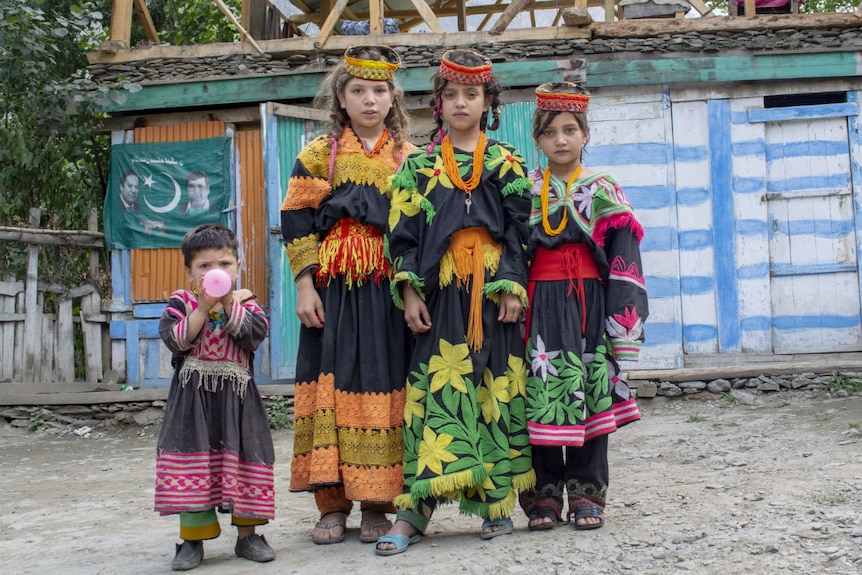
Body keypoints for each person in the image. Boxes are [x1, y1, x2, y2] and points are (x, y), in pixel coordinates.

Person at [376, 48, 535, 556]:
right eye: (452, 95)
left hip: (492, 295)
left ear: (488, 102)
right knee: (433, 392)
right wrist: (407, 292)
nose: (461, 103)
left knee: (493, 391)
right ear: (437, 103)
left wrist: (511, 284)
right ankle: (414, 511)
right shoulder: (418, 165)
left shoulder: (505, 160)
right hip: (442, 294)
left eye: (473, 95)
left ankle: (494, 505)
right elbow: (401, 233)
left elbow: (520, 229)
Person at [280, 44, 415, 546]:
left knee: (384, 383)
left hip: (385, 291)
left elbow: (415, 223)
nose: (369, 100)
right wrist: (303, 285)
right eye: (358, 90)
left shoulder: (407, 157)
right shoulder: (319, 153)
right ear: (342, 95)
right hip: (332, 291)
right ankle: (332, 503)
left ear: (391, 97)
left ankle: (379, 502)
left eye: (379, 90)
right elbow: (296, 219)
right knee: (329, 385)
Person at [518, 82, 648, 532]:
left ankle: (588, 492)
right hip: (538, 305)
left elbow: (624, 258)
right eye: (550, 132)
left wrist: (624, 320)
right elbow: (510, 252)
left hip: (589, 304)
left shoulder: (603, 188)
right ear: (537, 140)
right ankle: (543, 496)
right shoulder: (523, 190)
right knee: (540, 393)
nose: (561, 140)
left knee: (591, 390)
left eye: (570, 129)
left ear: (585, 134)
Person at [154, 223, 275, 570]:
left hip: (238, 400)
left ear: (238, 267)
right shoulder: (182, 302)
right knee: (193, 462)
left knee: (246, 458)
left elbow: (253, 335)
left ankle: (249, 535)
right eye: (204, 266)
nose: (215, 272)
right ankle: (192, 540)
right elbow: (176, 340)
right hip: (192, 403)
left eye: (224, 264)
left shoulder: (247, 303)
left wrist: (227, 303)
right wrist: (204, 309)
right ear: (190, 273)